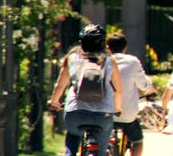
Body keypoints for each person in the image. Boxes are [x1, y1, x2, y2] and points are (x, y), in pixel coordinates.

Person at [48, 23, 124, 156]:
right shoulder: (109, 61)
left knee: (73, 136)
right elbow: (118, 90)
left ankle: (69, 153)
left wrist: (54, 102)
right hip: (103, 114)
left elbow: (60, 86)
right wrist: (117, 109)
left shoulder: (72, 58)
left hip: (75, 112)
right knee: (103, 146)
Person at [106, 32, 156, 156]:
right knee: (138, 141)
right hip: (127, 115)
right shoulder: (132, 61)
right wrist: (151, 89)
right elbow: (143, 85)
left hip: (104, 114)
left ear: (108, 48)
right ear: (125, 47)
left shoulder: (102, 61)